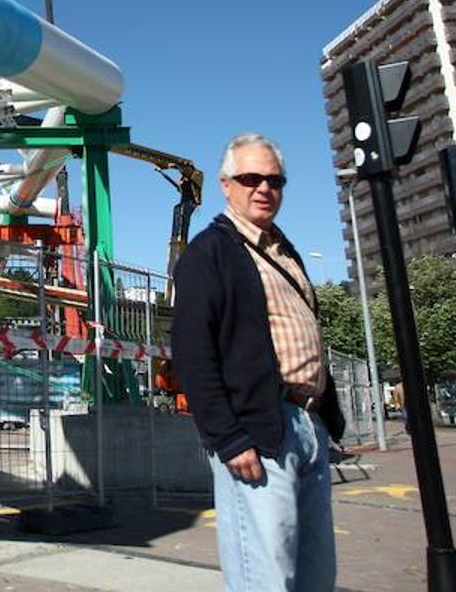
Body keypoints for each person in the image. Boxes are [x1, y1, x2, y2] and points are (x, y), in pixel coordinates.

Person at [173, 132, 345, 591]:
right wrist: (228, 438)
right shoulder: (210, 252)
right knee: (265, 577)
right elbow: (192, 351)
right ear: (226, 185)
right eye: (250, 178)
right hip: (258, 433)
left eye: (274, 180)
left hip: (308, 425)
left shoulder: (283, 252)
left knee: (315, 575)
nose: (263, 188)